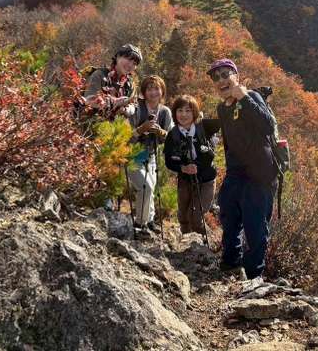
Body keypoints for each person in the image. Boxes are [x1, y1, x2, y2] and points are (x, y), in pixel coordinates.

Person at [207, 59, 277, 280]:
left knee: (255, 228)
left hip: (260, 174)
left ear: (236, 77)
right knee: (229, 217)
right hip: (236, 173)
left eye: (225, 74)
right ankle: (230, 264)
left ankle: (254, 278)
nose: (221, 80)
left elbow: (267, 126)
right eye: (216, 77)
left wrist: (244, 98)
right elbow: (229, 142)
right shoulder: (222, 108)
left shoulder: (252, 97)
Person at [164, 95, 219, 236]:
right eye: (180, 110)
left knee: (195, 216)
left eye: (188, 110)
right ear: (175, 113)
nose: (183, 115)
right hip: (185, 180)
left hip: (206, 179)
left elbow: (226, 121)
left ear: (195, 112)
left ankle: (203, 241)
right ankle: (187, 242)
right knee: (183, 216)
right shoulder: (173, 135)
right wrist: (183, 168)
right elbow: (169, 161)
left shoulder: (204, 126)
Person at [128, 75, 173, 232]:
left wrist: (160, 132)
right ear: (144, 92)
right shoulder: (136, 109)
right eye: (149, 89)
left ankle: (150, 220)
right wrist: (142, 129)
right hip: (131, 156)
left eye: (156, 89)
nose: (153, 92)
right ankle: (140, 223)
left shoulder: (165, 112)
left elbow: (170, 137)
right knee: (145, 187)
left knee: (150, 188)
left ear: (162, 91)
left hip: (151, 155)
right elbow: (125, 136)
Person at [82, 44, 142, 121]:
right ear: (118, 56)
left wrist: (126, 110)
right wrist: (115, 102)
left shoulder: (129, 84)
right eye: (128, 59)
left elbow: (134, 106)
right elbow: (89, 101)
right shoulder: (100, 75)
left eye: (134, 64)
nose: (130, 65)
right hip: (91, 124)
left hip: (114, 126)